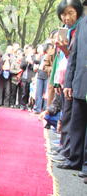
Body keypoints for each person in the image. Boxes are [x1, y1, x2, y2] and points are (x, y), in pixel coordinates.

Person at [60, 13, 87, 176]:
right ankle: (74, 159)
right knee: (77, 123)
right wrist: (68, 83)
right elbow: (74, 56)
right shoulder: (82, 23)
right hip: (80, 81)